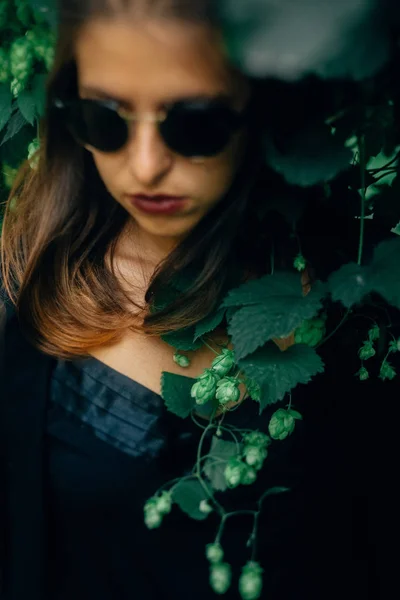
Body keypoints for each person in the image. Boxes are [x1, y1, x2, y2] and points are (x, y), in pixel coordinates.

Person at [0, 1, 367, 599]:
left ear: (263, 104)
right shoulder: (26, 291)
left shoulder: (352, 306)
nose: (146, 167)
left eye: (195, 123)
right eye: (105, 119)